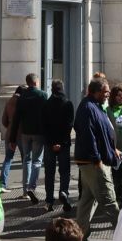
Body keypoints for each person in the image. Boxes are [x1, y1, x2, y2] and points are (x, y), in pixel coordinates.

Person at [73, 77, 121, 241]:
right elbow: (88, 136)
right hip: (93, 163)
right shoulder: (88, 108)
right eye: (105, 91)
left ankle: (78, 239)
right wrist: (97, 160)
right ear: (96, 91)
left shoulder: (95, 106)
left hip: (93, 161)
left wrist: (112, 149)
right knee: (110, 202)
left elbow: (101, 133)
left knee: (87, 201)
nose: (108, 94)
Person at [42, 81, 76, 209]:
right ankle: (63, 192)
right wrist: (61, 143)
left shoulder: (46, 104)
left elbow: (43, 126)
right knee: (65, 171)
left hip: (49, 144)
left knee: (49, 173)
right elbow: (69, 125)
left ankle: (49, 200)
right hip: (64, 144)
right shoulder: (68, 103)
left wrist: (51, 143)